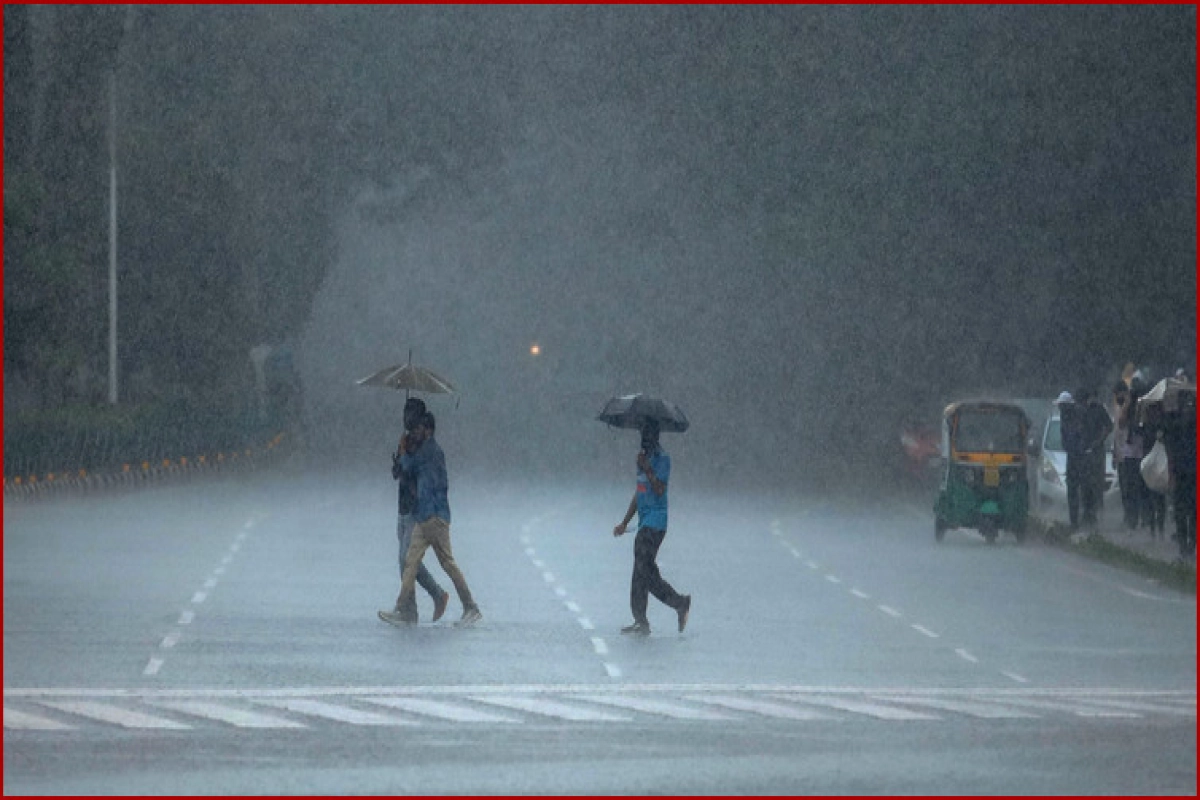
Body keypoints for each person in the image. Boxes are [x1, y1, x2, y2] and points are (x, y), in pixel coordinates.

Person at [393, 412, 482, 626]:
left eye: (418, 429)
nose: (414, 432)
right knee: (409, 562)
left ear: (428, 430)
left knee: (447, 563)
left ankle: (471, 607)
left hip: (435, 517)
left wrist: (404, 452)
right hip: (424, 517)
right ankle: (402, 608)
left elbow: (409, 467)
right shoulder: (425, 450)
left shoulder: (430, 451)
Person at [612, 419, 691, 636]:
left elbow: (658, 489)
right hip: (644, 522)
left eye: (647, 435)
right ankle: (643, 619)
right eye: (642, 435)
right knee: (642, 571)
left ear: (655, 437)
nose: (644, 440)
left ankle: (677, 603)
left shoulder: (662, 459)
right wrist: (625, 522)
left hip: (655, 523)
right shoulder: (642, 458)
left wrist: (647, 468)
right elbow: (639, 493)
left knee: (644, 572)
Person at [379, 397, 450, 626]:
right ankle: (426, 601)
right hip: (403, 507)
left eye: (411, 413)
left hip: (415, 509)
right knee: (406, 561)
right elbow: (400, 473)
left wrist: (406, 460)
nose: (406, 418)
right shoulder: (406, 441)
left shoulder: (422, 445)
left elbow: (416, 473)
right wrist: (397, 465)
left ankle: (410, 609)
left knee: (406, 559)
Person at [1160, 390, 1196, 557]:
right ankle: (1185, 545)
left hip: (1187, 473)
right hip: (1183, 473)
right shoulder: (1174, 425)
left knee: (1188, 511)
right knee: (1185, 511)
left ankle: (1187, 545)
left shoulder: (1178, 425)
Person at [1111, 381, 1148, 532]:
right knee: (1126, 489)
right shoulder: (1119, 407)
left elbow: (1121, 423)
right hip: (1123, 455)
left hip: (1135, 455)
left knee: (1134, 489)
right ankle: (1129, 517)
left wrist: (1128, 403)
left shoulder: (1136, 408)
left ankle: (1136, 519)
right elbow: (1117, 431)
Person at [1078, 388, 1113, 529]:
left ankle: (1094, 514)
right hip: (1083, 451)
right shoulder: (1080, 410)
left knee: (1096, 483)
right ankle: (1086, 514)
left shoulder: (1099, 410)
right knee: (1084, 483)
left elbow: (1109, 427)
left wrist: (1099, 441)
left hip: (1096, 452)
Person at [1056, 391, 1086, 531]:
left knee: (1081, 489)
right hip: (1072, 457)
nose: (1060, 409)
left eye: (1062, 406)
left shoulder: (1077, 416)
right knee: (1072, 490)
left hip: (1080, 457)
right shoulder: (1065, 417)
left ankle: (1083, 519)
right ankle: (1073, 521)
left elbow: (1079, 436)